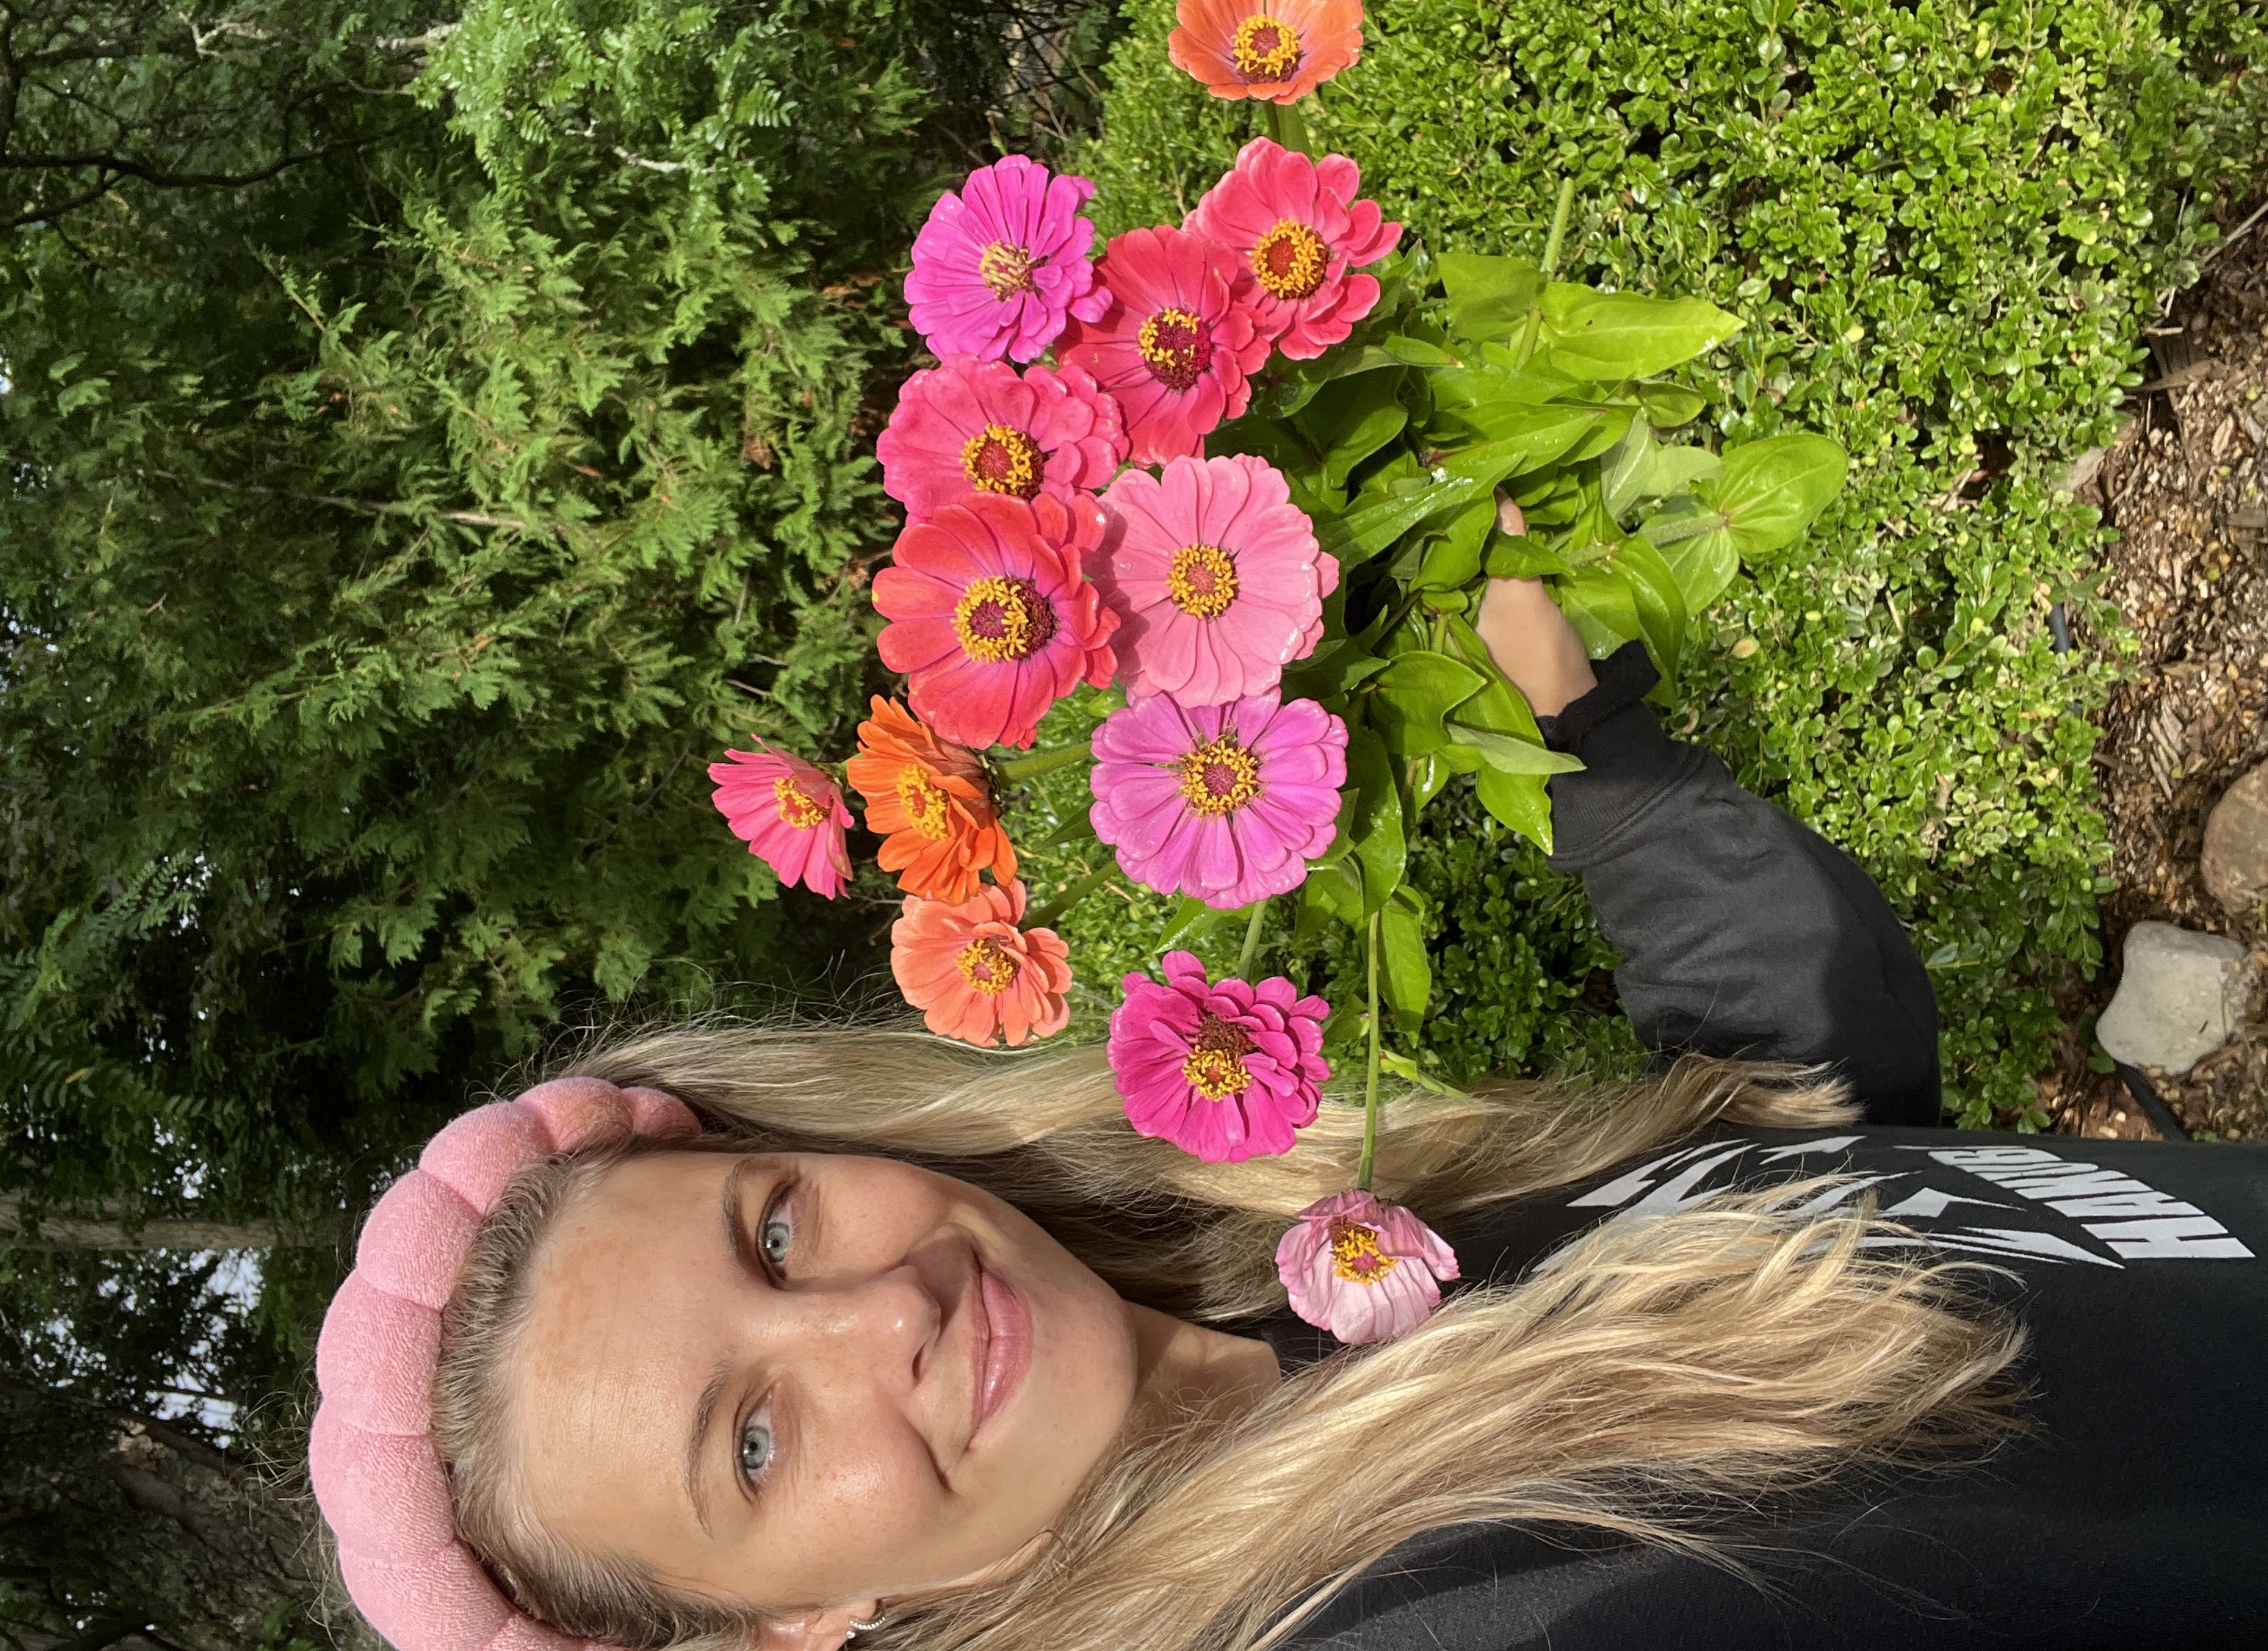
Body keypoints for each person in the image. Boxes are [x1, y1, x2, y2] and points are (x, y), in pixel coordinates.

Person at [310, 501, 2268, 1651]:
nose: (873, 1321)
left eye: (778, 1223)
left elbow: (1810, 1135)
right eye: (748, 1440)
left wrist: (1584, 731)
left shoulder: (1320, 1260)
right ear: (780, 1634)